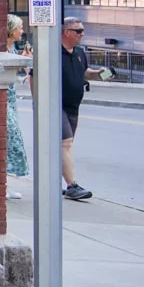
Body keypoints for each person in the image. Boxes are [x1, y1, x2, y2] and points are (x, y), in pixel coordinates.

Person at [60, 16, 100, 201]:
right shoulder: (52, 52)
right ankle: (72, 185)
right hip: (55, 106)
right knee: (65, 143)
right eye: (78, 31)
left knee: (62, 147)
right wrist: (39, 103)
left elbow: (85, 72)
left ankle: (53, 181)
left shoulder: (79, 52)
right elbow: (34, 76)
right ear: (67, 32)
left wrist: (99, 75)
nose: (82, 34)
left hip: (73, 107)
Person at [5, 15, 31, 198]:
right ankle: (2, 184)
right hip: (3, 96)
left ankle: (5, 184)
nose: (22, 31)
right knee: (9, 136)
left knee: (9, 140)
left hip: (11, 96)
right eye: (20, 28)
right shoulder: (1, 48)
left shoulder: (13, 48)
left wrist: (24, 61)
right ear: (11, 30)